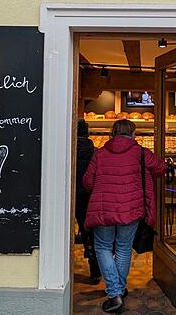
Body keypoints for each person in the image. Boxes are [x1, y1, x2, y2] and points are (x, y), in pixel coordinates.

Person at [82, 119, 167, 313]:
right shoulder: (141, 153)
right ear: (133, 134)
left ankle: (115, 294)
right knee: (123, 248)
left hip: (103, 209)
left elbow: (87, 181)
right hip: (131, 210)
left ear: (112, 134)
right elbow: (161, 168)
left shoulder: (100, 154)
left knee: (103, 246)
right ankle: (117, 291)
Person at [74, 118, 101, 283]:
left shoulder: (65, 149)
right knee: (88, 231)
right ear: (87, 133)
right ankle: (95, 267)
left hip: (68, 195)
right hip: (88, 194)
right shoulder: (96, 152)